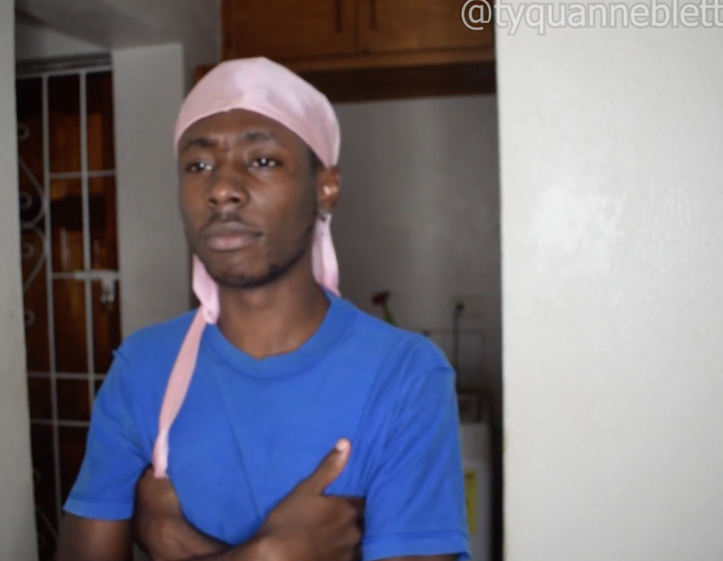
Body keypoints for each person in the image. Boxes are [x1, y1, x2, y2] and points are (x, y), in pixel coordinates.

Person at [55, 56, 470, 561]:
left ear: (326, 188)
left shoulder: (404, 375)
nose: (222, 189)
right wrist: (268, 554)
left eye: (263, 161)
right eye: (198, 166)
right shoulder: (143, 368)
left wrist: (183, 543)